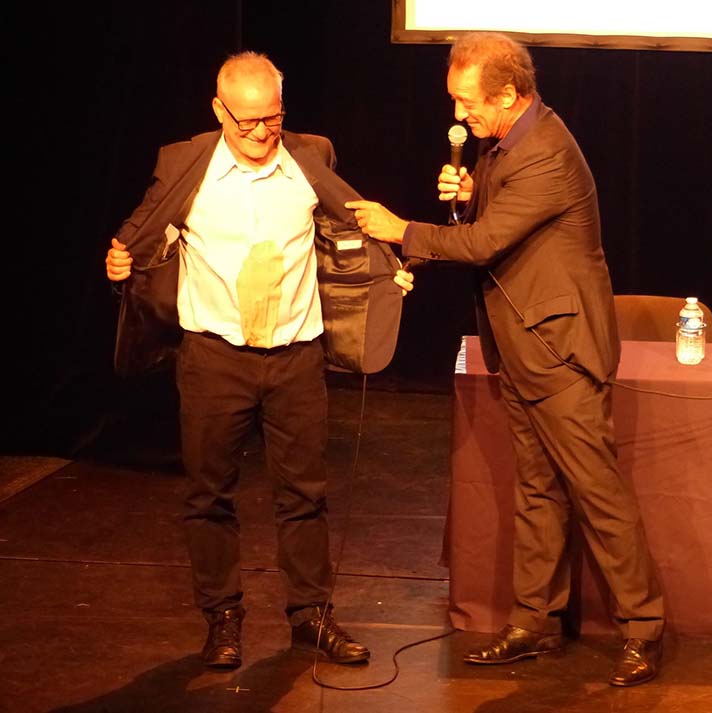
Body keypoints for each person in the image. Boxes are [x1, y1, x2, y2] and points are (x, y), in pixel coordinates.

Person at [345, 32, 665, 686]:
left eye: (469, 102)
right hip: (522, 344)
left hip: (559, 350)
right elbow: (492, 224)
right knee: (538, 490)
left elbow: (485, 243)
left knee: (597, 492)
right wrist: (468, 195)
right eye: (455, 100)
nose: (459, 114)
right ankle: (533, 621)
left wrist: (400, 229)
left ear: (510, 94)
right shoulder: (505, 144)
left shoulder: (545, 151)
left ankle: (643, 628)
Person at [105, 51, 413, 670]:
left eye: (271, 117)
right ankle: (222, 618)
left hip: (296, 356)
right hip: (214, 357)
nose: (260, 132)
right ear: (219, 111)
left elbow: (351, 227)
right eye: (245, 120)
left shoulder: (310, 156)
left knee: (305, 495)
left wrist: (390, 270)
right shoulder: (185, 164)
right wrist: (120, 264)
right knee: (209, 496)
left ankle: (311, 615)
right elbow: (140, 234)